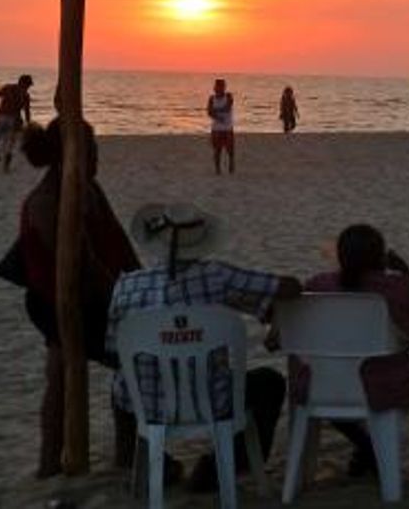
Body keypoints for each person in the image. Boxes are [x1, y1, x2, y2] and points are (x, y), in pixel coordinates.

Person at [107, 202, 301, 492]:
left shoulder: (126, 286)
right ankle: (221, 466)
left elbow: (113, 348)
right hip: (210, 400)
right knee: (269, 383)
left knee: (120, 382)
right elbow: (289, 287)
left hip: (144, 404)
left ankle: (135, 461)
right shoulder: (217, 276)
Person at [8, 118, 141, 479]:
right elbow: (81, 265)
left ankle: (124, 453)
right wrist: (125, 299)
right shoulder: (47, 202)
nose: (98, 154)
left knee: (114, 359)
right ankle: (54, 461)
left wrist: (142, 284)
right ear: (74, 153)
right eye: (92, 147)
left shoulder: (90, 189)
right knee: (81, 364)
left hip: (95, 295)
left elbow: (118, 245)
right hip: (56, 300)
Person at [300, 224, 409, 476]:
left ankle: (367, 448)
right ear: (381, 256)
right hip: (387, 388)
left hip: (323, 388)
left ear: (341, 256)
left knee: (326, 378)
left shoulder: (318, 286)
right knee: (394, 383)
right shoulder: (399, 288)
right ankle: (372, 448)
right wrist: (406, 276)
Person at [0, 74, 33, 171]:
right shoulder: (26, 95)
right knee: (10, 145)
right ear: (24, 84)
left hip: (2, 117)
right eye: (28, 85)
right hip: (16, 121)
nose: (28, 88)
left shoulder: (8, 88)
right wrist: (29, 124)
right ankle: (6, 167)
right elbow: (27, 112)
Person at [206, 78, 235, 174]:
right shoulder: (211, 98)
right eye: (217, 86)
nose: (219, 88)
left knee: (230, 149)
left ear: (224, 87)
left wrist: (215, 111)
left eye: (222, 86)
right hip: (216, 128)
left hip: (227, 128)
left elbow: (227, 108)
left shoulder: (229, 96)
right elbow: (209, 112)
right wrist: (218, 118)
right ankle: (217, 169)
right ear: (214, 88)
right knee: (217, 150)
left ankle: (231, 163)